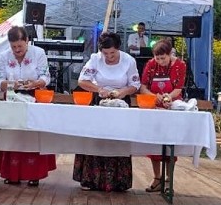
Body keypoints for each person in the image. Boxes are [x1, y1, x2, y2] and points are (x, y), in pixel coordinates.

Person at [74, 32, 141, 192]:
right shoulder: (95, 59)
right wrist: (99, 89)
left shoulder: (128, 61)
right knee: (96, 139)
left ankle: (118, 181)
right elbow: (82, 81)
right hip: (100, 102)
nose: (109, 56)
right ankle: (90, 179)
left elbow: (135, 84)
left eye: (112, 53)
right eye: (106, 53)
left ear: (118, 49)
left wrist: (123, 92)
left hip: (120, 103)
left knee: (117, 140)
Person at [0, 25, 56, 186]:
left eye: (20, 46)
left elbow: (45, 76)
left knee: (32, 136)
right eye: (13, 47)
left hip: (33, 97)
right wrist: (9, 84)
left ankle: (34, 174)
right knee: (13, 135)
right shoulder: (4, 56)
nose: (17, 50)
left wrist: (36, 83)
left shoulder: (38, 53)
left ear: (27, 41)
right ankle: (11, 173)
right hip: (12, 99)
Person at [139, 38, 188, 192]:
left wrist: (168, 97)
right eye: (157, 58)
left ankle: (169, 180)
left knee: (170, 144)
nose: (160, 61)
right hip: (154, 107)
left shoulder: (180, 65)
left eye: (163, 58)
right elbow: (143, 87)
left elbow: (178, 88)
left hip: (172, 107)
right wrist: (154, 96)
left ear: (169, 54)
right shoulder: (150, 65)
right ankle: (157, 178)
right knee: (154, 144)